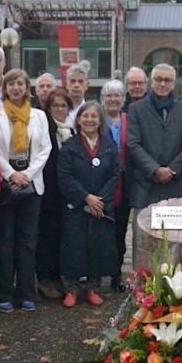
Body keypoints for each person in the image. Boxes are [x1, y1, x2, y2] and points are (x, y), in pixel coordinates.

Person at [0, 68, 51, 313]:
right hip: (5, 183)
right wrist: (11, 174)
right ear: (5, 88)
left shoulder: (39, 116)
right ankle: (2, 293)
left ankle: (25, 292)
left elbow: (45, 148)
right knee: (4, 240)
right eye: (11, 84)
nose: (15, 88)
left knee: (28, 241)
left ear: (26, 88)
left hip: (32, 184)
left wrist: (27, 175)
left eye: (20, 84)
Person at [127, 63, 182, 267]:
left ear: (174, 83)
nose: (163, 84)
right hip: (145, 185)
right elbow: (133, 144)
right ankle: (141, 287)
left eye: (167, 80)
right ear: (151, 81)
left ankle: (172, 287)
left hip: (175, 185)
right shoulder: (136, 109)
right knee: (143, 241)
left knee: (174, 241)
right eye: (158, 79)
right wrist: (155, 169)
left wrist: (172, 170)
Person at [58, 102, 119, 307]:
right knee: (73, 245)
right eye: (85, 116)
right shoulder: (70, 146)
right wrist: (86, 197)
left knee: (97, 246)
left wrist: (100, 200)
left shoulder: (109, 146)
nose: (90, 120)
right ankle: (71, 289)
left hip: (101, 205)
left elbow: (114, 174)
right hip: (76, 205)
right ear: (78, 120)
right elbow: (65, 176)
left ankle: (93, 287)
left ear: (100, 120)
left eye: (94, 116)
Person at [36, 88, 74, 299]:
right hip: (48, 191)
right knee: (46, 236)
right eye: (55, 106)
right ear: (48, 108)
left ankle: (57, 275)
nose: (59, 109)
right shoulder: (45, 128)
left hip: (66, 193)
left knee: (62, 235)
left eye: (63, 105)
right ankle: (44, 278)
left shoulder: (72, 130)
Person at [101, 80, 131, 293]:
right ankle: (95, 274)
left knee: (120, 230)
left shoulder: (130, 121)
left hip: (126, 182)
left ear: (123, 99)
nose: (113, 99)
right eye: (109, 95)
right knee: (101, 230)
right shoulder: (96, 119)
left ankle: (116, 275)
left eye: (117, 95)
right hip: (101, 182)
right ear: (103, 99)